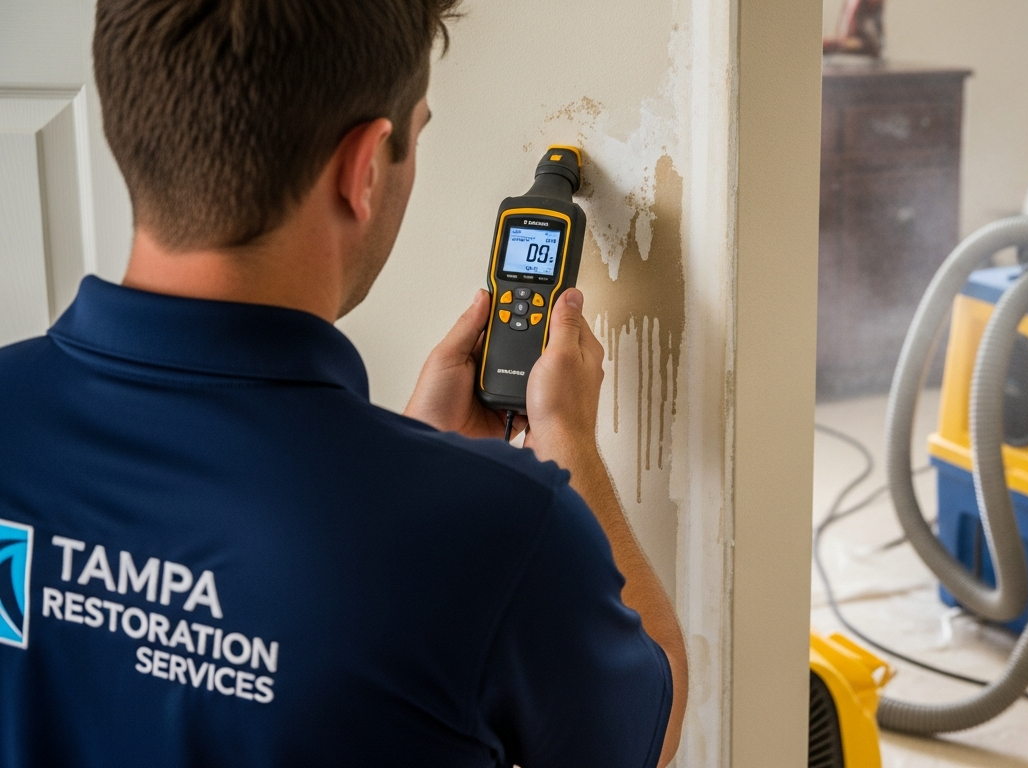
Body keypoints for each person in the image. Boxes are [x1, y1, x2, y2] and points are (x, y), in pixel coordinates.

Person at [0, 1, 686, 766]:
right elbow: (642, 740)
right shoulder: (508, 531)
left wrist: (423, 459)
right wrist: (567, 444)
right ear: (363, 168)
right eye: (415, 136)